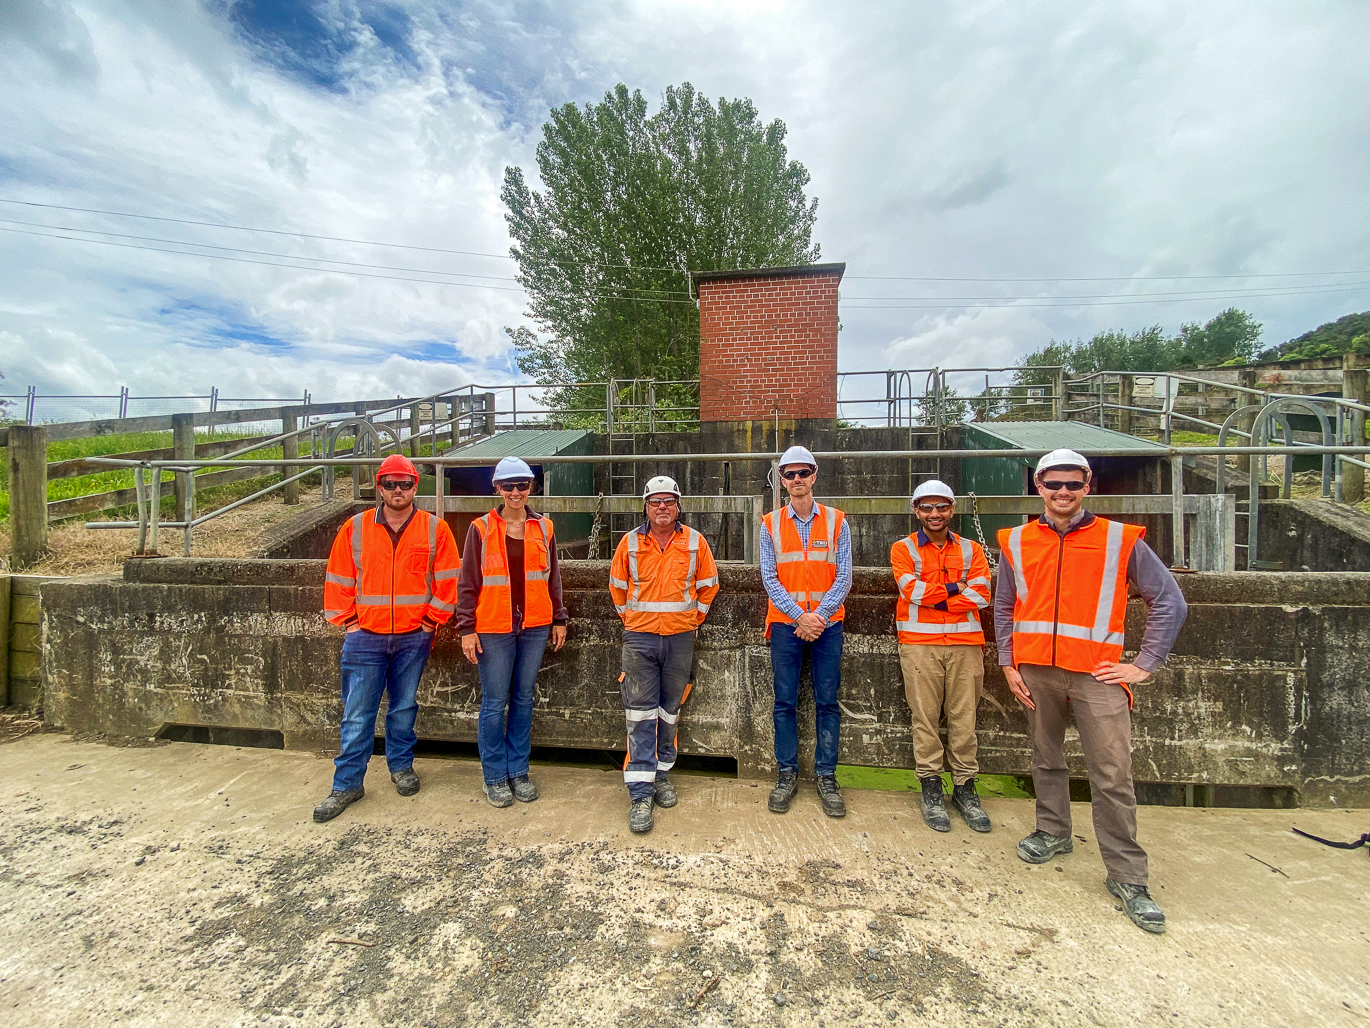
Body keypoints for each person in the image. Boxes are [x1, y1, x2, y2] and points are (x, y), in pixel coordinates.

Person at [995, 448, 1188, 934]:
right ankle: (1053, 831)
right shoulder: (1016, 542)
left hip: (1097, 675)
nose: (1062, 493)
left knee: (1111, 773)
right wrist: (1007, 661)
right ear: (1037, 486)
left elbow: (1169, 600)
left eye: (1072, 484)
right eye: (1053, 484)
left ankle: (1128, 876)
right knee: (1046, 758)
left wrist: (1144, 665)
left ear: (1088, 486)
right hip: (1037, 669)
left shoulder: (1119, 540)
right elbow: (1003, 607)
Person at [316, 453, 460, 822]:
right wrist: (349, 623)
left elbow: (449, 582)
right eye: (391, 483)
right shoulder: (356, 527)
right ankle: (347, 783)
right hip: (365, 637)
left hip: (415, 635)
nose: (398, 490)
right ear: (379, 487)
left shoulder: (434, 529)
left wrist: (431, 623)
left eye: (406, 483)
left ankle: (401, 767)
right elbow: (338, 578)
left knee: (403, 707)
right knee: (356, 714)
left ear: (416, 486)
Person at [608, 475, 720, 833]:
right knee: (640, 713)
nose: (662, 507)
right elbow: (617, 587)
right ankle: (641, 792)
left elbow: (709, 585)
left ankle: (662, 775)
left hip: (680, 639)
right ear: (646, 506)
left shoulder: (695, 542)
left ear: (678, 505)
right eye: (655, 501)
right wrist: (635, 621)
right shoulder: (629, 543)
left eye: (668, 501)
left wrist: (690, 620)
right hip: (639, 640)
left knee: (670, 711)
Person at [456, 457, 568, 807]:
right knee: (494, 703)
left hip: (534, 626)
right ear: (497, 488)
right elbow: (468, 582)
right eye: (509, 486)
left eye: (523, 485)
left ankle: (519, 771)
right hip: (493, 627)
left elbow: (553, 578)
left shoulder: (544, 528)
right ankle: (494, 777)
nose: (516, 492)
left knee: (522, 700)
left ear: (531, 488)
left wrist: (559, 618)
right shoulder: (481, 528)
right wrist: (466, 628)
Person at [891, 479, 993, 834]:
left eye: (942, 507)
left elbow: (982, 595)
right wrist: (957, 588)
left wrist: (939, 595)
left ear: (952, 509)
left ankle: (965, 787)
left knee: (965, 719)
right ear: (916, 510)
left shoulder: (972, 549)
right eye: (927, 507)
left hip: (965, 645)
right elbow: (911, 590)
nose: (935, 514)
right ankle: (931, 785)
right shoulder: (902, 549)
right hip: (919, 643)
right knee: (925, 718)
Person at [760, 445, 853, 818]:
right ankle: (787, 773)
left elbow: (844, 575)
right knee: (785, 702)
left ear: (814, 475)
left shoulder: (836, 521)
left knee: (828, 701)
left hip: (827, 626)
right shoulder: (769, 523)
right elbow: (769, 576)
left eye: (803, 473)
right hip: (786, 625)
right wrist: (801, 616)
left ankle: (827, 776)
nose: (796, 480)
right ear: (782, 481)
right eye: (789, 474)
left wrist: (820, 616)